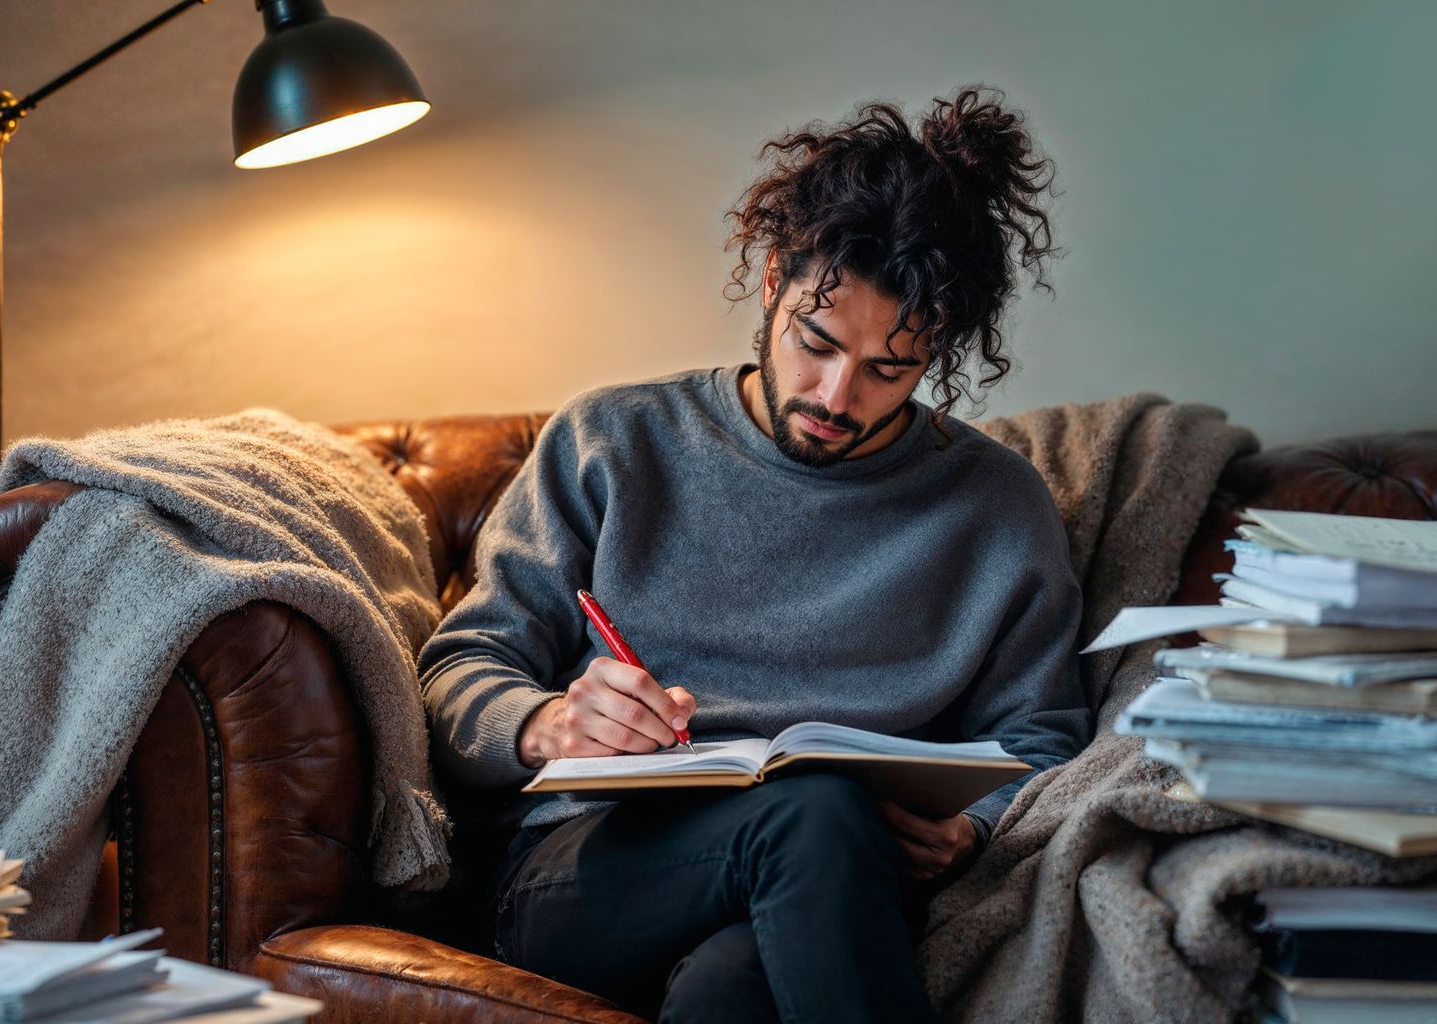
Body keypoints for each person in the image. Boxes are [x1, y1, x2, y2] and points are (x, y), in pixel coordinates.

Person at [418, 85, 1092, 1023]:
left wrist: (972, 834)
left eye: (886, 370)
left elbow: (1044, 736)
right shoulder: (612, 441)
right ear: (774, 280)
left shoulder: (994, 506)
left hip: (833, 889)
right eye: (816, 343)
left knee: (736, 990)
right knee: (816, 813)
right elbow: (459, 666)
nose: (836, 392)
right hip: (586, 871)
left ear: (933, 349)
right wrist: (547, 725)